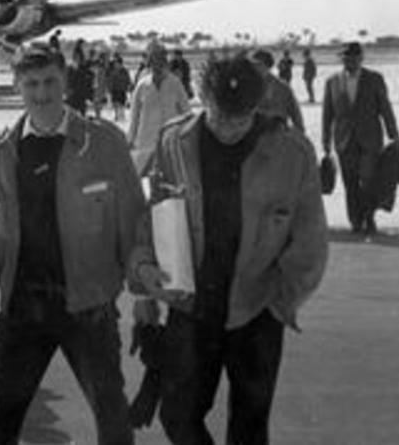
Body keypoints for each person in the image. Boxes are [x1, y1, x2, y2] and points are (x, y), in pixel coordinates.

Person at [131, 56, 328, 445]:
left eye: (240, 121)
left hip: (256, 312)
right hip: (192, 307)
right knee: (177, 415)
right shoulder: (173, 141)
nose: (227, 131)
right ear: (201, 98)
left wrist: (280, 304)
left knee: (250, 429)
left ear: (257, 108)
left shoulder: (293, 154)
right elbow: (154, 215)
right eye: (218, 117)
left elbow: (310, 240)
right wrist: (143, 276)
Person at [0, 42, 144, 445]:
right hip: (22, 305)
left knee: (112, 416)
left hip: (87, 307)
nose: (42, 94)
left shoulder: (104, 143)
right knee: (0, 418)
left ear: (65, 83)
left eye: (50, 82)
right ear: (18, 87)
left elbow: (133, 221)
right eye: (32, 84)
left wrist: (144, 289)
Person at [321, 42, 399, 235]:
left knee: (369, 180)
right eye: (346, 58)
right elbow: (327, 113)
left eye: (354, 58)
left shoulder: (374, 79)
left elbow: (385, 108)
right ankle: (356, 220)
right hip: (344, 140)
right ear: (343, 59)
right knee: (350, 183)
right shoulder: (332, 81)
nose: (350, 61)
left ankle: (369, 217)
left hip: (370, 139)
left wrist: (393, 133)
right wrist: (325, 139)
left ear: (361, 59)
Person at [127, 43, 191, 176]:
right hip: (146, 143)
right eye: (153, 60)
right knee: (144, 181)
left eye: (160, 60)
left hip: (170, 143)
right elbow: (134, 117)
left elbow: (187, 113)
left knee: (171, 181)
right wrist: (130, 140)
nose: (157, 64)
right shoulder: (142, 86)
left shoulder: (175, 84)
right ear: (149, 62)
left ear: (164, 61)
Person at [252, 49, 305, 133]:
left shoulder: (283, 88)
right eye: (253, 65)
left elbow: (296, 115)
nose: (255, 68)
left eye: (259, 64)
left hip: (278, 135)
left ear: (267, 65)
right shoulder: (247, 88)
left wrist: (300, 135)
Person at [65, 41, 93, 114]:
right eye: (75, 58)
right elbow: (67, 81)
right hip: (73, 94)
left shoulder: (82, 68)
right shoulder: (70, 69)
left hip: (81, 94)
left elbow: (88, 80)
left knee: (81, 113)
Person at [107, 53, 132, 122]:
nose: (115, 65)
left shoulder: (124, 71)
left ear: (120, 63)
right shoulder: (113, 71)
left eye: (117, 63)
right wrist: (109, 89)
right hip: (114, 89)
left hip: (122, 90)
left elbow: (128, 79)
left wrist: (129, 86)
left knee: (121, 103)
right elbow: (110, 80)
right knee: (115, 103)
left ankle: (121, 116)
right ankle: (117, 115)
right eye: (115, 63)